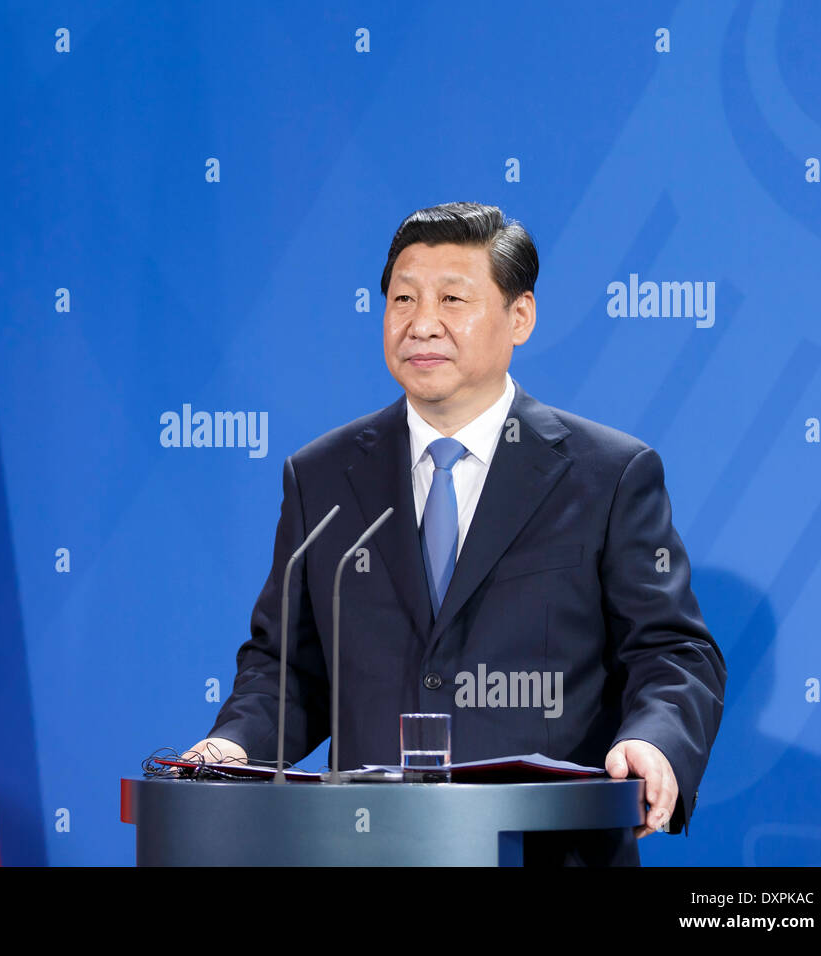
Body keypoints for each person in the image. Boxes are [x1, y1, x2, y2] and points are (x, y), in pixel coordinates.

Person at [182, 202, 726, 866]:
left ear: (519, 316)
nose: (422, 323)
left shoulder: (607, 475)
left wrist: (655, 740)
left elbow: (672, 652)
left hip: (549, 852)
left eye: (452, 298)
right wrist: (234, 744)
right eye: (402, 299)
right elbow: (287, 668)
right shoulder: (321, 476)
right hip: (369, 851)